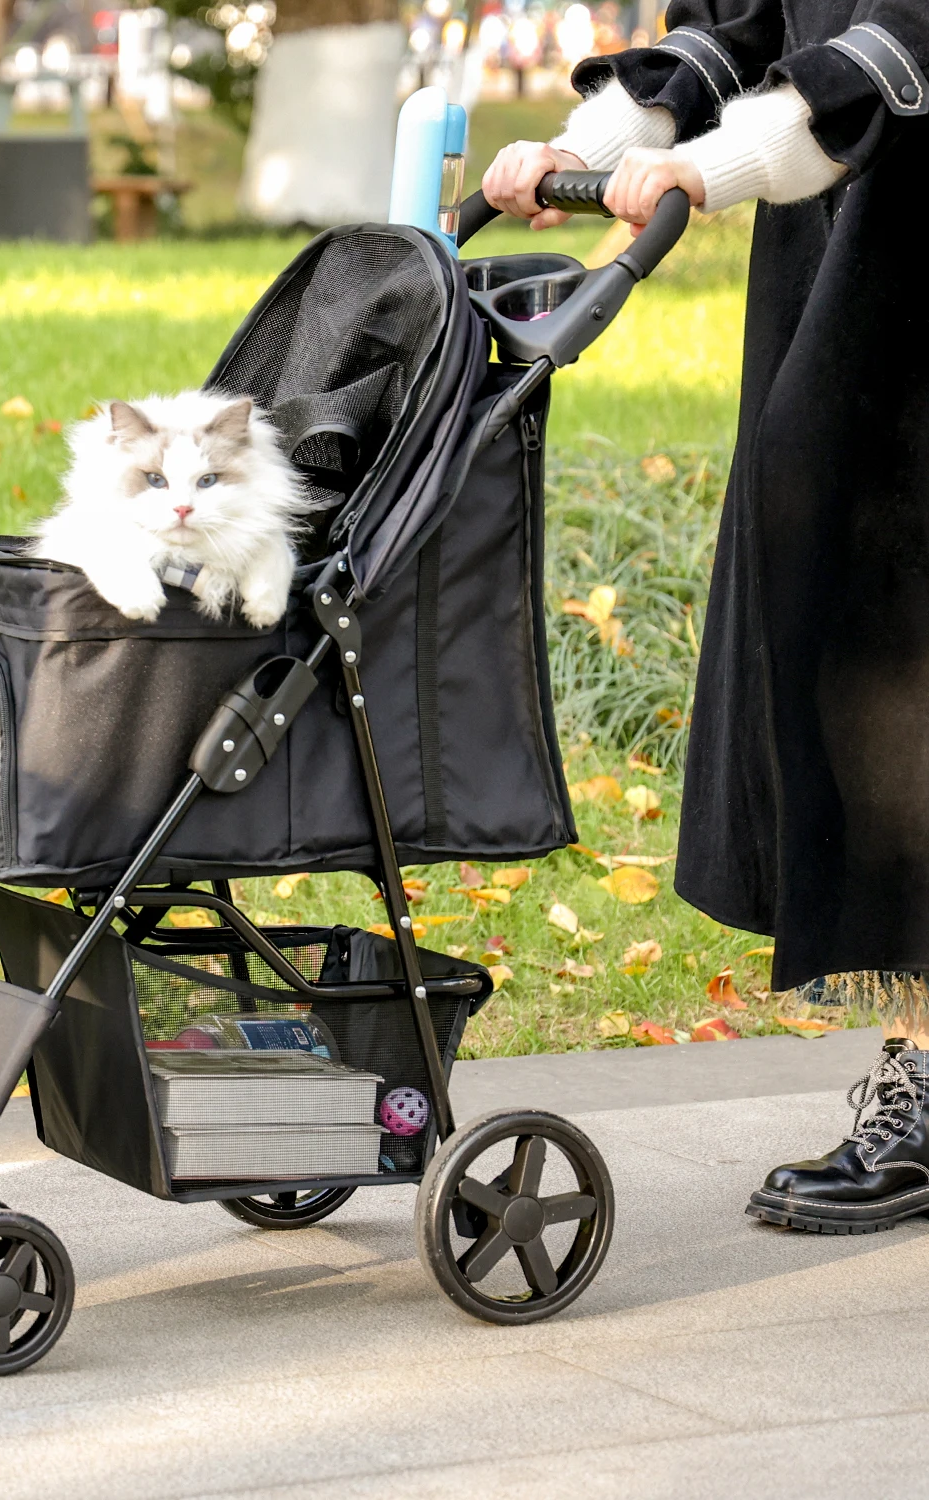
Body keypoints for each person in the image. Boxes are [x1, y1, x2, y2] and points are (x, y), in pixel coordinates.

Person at [482, 1, 929, 1234]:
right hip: (842, 256)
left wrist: (710, 166)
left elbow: (904, 43)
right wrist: (589, 146)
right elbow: (738, 24)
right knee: (853, 618)